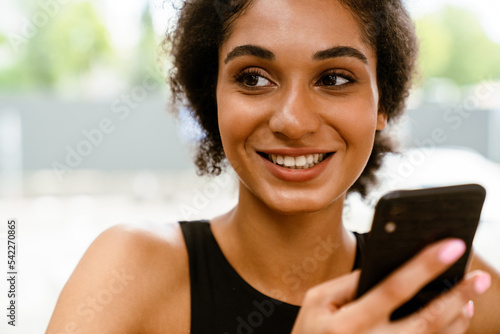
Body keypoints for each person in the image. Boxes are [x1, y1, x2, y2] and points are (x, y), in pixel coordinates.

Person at [47, 0, 500, 333]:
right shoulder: (130, 270)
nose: (293, 121)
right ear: (213, 99)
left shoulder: (452, 291)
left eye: (335, 79)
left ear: (383, 104)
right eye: (253, 78)